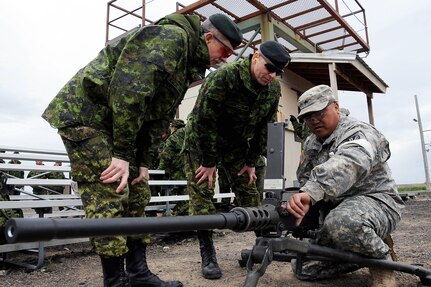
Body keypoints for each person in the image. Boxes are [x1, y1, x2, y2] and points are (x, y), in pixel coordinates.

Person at [41, 11, 242, 287]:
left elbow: (158, 115)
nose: (225, 58)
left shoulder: (187, 62)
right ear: (208, 38)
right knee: (111, 192)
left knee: (138, 191)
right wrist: (123, 155)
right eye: (225, 50)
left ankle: (137, 273)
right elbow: (129, 93)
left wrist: (143, 160)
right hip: (89, 117)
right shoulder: (172, 38)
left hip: (118, 125)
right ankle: (115, 281)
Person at [183, 40, 291, 280]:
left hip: (237, 146)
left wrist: (251, 160)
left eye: (278, 72)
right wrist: (209, 161)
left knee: (250, 194)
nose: (272, 75)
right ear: (255, 56)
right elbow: (204, 120)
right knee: (202, 196)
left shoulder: (272, 89)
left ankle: (264, 245)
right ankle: (208, 254)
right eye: (269, 67)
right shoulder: (224, 78)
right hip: (202, 143)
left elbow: (265, 127)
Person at [282, 85, 404, 286]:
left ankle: (382, 261)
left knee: (343, 223)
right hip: (336, 210)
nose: (314, 120)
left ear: (336, 107)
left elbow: (350, 162)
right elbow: (304, 179)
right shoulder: (311, 143)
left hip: (377, 202)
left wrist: (311, 192)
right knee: (303, 267)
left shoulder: (358, 132)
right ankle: (362, 245)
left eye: (320, 112)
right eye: (308, 116)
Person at [158, 119, 188, 216]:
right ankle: (183, 214)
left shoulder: (173, 137)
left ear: (174, 127)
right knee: (185, 192)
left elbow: (166, 155)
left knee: (169, 193)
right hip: (189, 169)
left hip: (176, 170)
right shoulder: (189, 134)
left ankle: (169, 215)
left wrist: (160, 170)